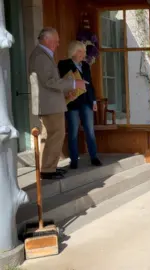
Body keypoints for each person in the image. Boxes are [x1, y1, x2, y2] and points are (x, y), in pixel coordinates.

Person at [29, 27, 86, 180]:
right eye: (56, 41)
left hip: (50, 103)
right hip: (50, 105)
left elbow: (49, 82)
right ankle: (48, 169)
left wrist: (67, 90)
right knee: (56, 135)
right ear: (47, 40)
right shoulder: (41, 56)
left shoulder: (42, 55)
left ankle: (48, 168)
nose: (58, 44)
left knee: (49, 136)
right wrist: (73, 84)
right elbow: (50, 81)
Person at [58, 41, 102, 169]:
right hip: (72, 103)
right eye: (81, 51)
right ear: (74, 52)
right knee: (73, 132)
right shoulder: (64, 64)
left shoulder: (86, 66)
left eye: (84, 52)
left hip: (86, 102)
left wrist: (94, 101)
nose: (84, 54)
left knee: (90, 130)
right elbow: (61, 82)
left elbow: (90, 84)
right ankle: (74, 160)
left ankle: (94, 157)